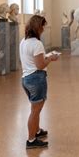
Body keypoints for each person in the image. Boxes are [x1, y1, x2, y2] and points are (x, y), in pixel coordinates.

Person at [20, 15, 59, 149]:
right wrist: (51, 58)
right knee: (35, 111)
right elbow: (40, 65)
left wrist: (45, 57)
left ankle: (36, 131)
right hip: (36, 79)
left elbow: (33, 60)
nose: (44, 29)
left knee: (35, 107)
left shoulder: (24, 41)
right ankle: (31, 140)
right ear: (38, 27)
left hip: (26, 78)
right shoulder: (37, 44)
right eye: (43, 26)